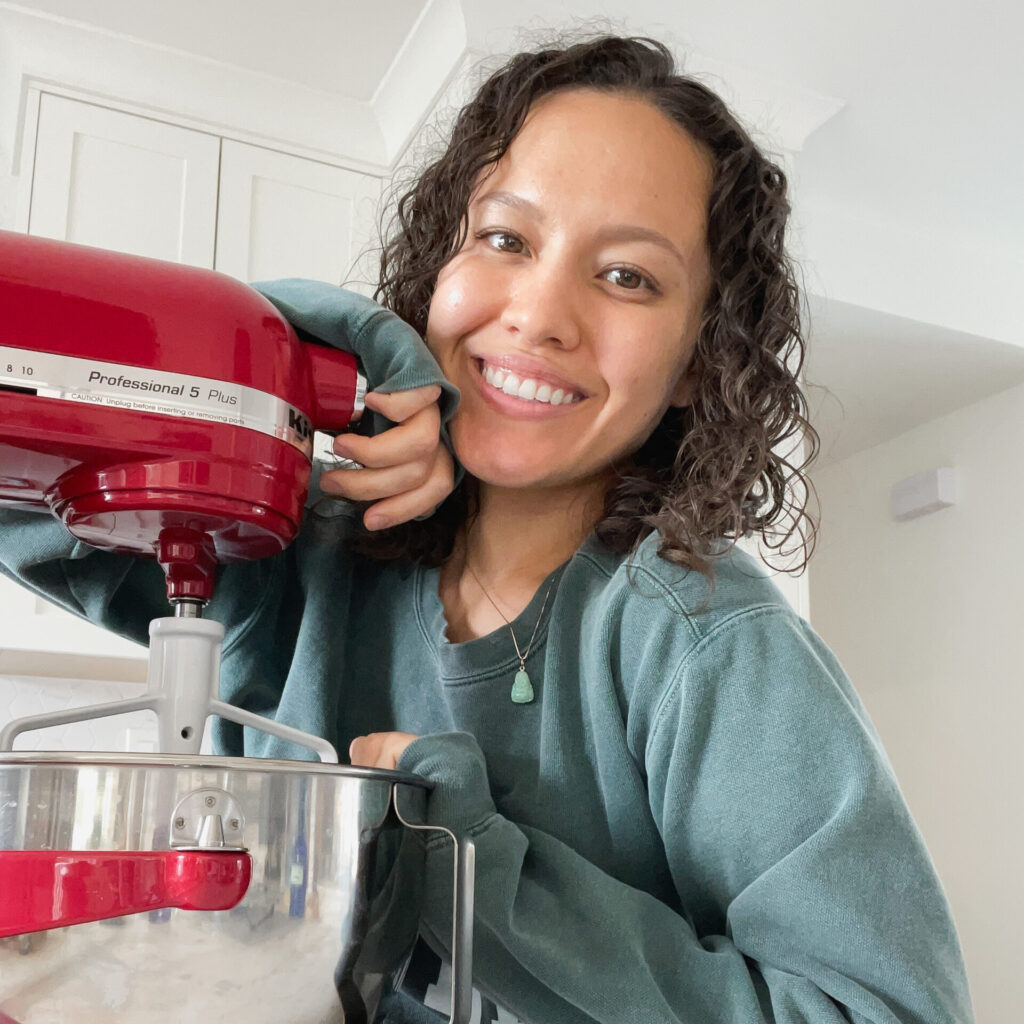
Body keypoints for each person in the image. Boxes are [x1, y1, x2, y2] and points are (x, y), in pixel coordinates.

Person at [0, 35, 973, 1024]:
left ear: (696, 358)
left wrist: (477, 870)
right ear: (440, 263)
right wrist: (277, 352)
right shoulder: (304, 545)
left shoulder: (703, 643)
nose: (540, 313)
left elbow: (885, 1010)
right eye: (505, 240)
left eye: (628, 277)